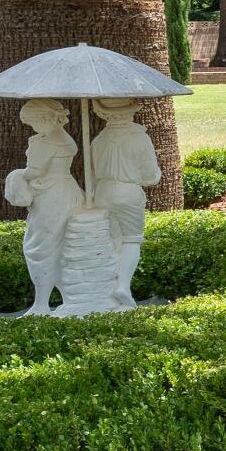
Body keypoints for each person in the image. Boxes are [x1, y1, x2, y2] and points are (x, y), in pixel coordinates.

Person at [4, 102, 81, 314]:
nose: (33, 128)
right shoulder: (63, 137)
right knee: (61, 247)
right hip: (68, 191)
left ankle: (41, 304)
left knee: (39, 248)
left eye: (34, 123)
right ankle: (68, 299)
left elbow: (33, 172)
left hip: (51, 196)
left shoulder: (46, 142)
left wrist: (15, 176)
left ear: (44, 119)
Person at [86, 100, 161, 307]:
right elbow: (150, 176)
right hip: (127, 191)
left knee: (111, 239)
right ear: (130, 113)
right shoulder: (139, 138)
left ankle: (108, 285)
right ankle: (122, 286)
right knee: (131, 240)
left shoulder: (98, 140)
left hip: (102, 191)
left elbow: (90, 175)